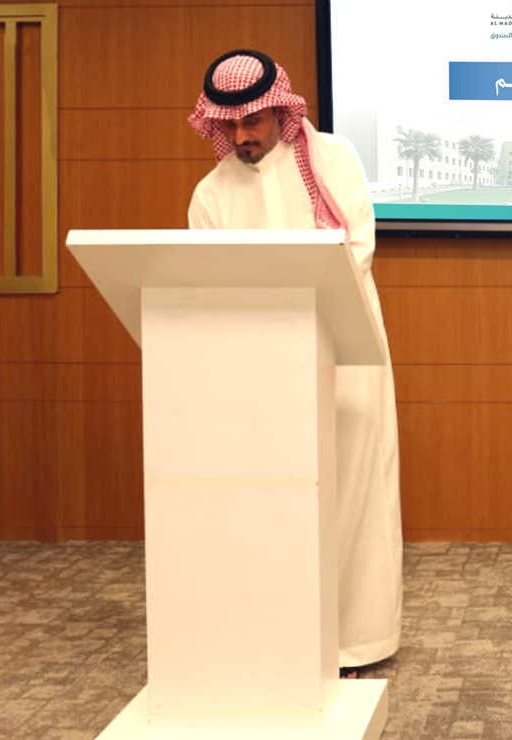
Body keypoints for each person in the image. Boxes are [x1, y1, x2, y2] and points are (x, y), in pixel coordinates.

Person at [185, 48, 402, 677]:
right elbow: (210, 283)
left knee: (354, 492)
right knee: (274, 500)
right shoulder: (211, 195)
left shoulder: (333, 159)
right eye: (229, 125)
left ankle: (358, 641)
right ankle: (279, 637)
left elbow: (356, 248)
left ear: (279, 110)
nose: (241, 137)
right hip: (261, 372)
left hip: (345, 355)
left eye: (251, 121)